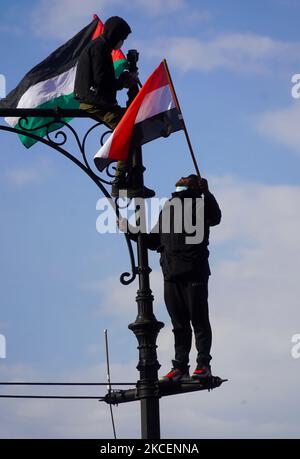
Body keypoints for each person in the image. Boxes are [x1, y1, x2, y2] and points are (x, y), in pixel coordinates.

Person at [119, 174, 221, 382]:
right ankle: (180, 367)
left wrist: (207, 193)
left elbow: (215, 217)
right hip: (171, 274)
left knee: (199, 321)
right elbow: (154, 240)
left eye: (187, 179)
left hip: (194, 272)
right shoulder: (168, 208)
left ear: (194, 186)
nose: (182, 178)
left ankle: (203, 365)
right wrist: (130, 230)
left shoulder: (200, 204)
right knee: (179, 325)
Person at [74, 16, 154, 198]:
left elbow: (103, 79)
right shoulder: (99, 48)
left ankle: (130, 178)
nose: (122, 42)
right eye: (122, 38)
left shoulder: (101, 48)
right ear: (114, 35)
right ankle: (119, 183)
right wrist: (122, 83)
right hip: (94, 102)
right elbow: (102, 80)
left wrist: (123, 81)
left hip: (99, 101)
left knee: (131, 129)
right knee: (128, 132)